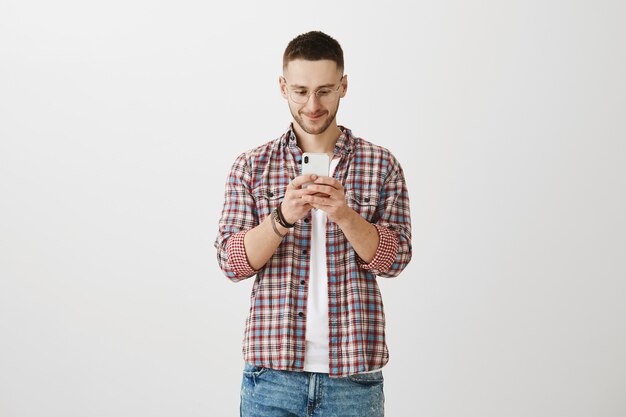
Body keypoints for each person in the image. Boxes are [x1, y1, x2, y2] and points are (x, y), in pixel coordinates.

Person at [214, 30, 412, 417]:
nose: (312, 104)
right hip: (271, 377)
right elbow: (231, 263)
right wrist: (283, 217)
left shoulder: (381, 164)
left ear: (344, 86)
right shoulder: (252, 166)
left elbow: (396, 260)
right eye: (301, 91)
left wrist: (345, 215)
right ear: (283, 87)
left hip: (353, 379)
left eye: (324, 90)